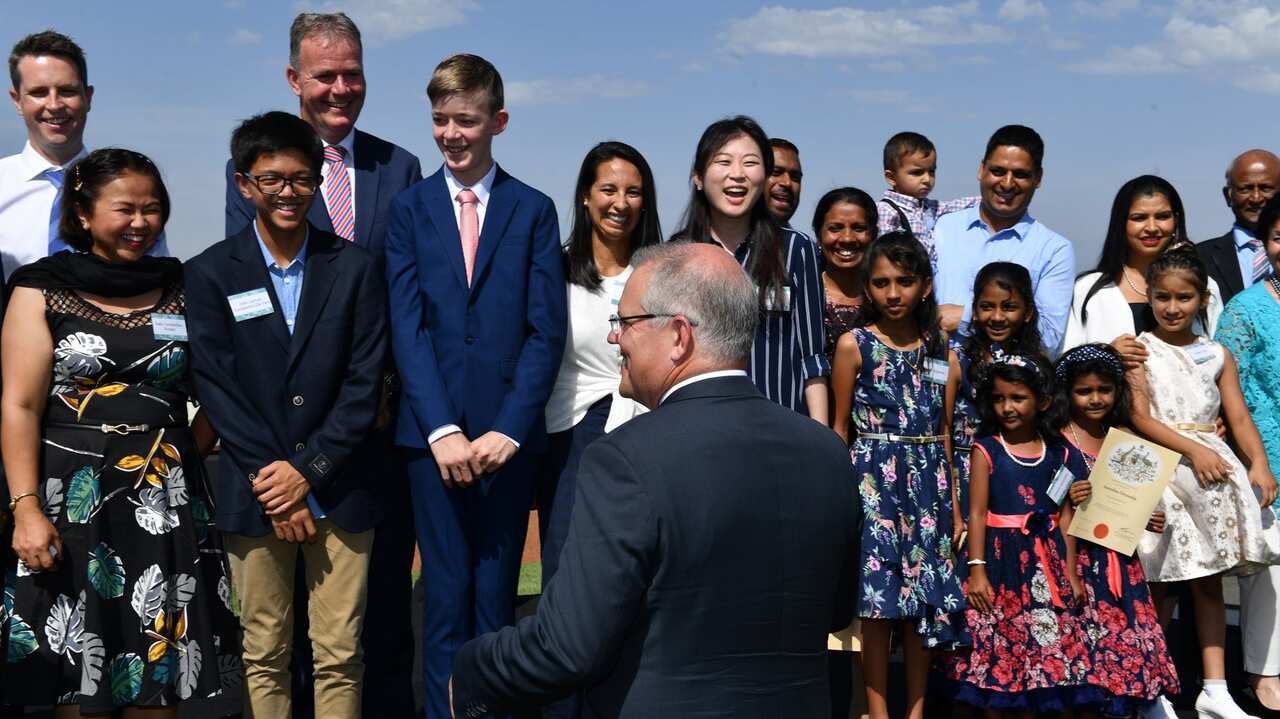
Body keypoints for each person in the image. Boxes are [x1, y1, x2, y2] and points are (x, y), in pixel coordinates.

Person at [450, 242, 859, 718]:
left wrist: (473, 669)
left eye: (624, 323)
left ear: (679, 336)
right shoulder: (827, 453)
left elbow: (566, 646)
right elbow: (834, 610)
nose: (613, 339)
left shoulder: (624, 459)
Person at [221, 14, 423, 717]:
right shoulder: (254, 168)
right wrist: (289, 459)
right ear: (293, 80)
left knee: (371, 622)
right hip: (278, 439)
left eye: (351, 74)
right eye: (324, 75)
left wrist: (361, 414)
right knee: (275, 641)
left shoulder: (399, 168)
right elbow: (249, 306)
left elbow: (401, 296)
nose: (339, 88)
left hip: (366, 428)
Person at [2, 148, 237, 714]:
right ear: (82, 214)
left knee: (155, 668)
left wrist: (179, 450)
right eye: (125, 209)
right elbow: (20, 405)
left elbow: (224, 391)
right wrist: (26, 507)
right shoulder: (40, 288)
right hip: (69, 501)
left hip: (164, 503)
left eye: (153, 209)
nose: (140, 223)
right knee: (72, 672)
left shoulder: (185, 285)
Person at [185, 111, 388, 718]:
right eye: (270, 179)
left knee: (340, 652)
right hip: (256, 493)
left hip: (341, 488)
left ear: (320, 178)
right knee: (265, 651)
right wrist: (278, 480)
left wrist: (309, 470)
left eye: (300, 178)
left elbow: (364, 383)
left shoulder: (355, 268)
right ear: (244, 184)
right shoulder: (209, 274)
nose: (287, 192)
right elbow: (218, 389)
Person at [385, 53, 567, 719]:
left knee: (495, 604)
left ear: (498, 121)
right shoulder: (408, 210)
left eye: (466, 120)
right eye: (440, 120)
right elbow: (409, 329)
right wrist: (440, 429)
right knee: (442, 601)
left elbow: (545, 332)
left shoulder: (534, 210)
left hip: (506, 442)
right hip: (431, 443)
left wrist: (509, 429)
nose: (452, 133)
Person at [1128, 243, 1280, 719]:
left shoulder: (1216, 354)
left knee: (1208, 579)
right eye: (1163, 297)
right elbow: (1138, 415)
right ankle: (1150, 688)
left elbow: (1237, 414)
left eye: (1184, 298)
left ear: (1202, 300)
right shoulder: (1138, 351)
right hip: (1161, 469)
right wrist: (1191, 449)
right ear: (1149, 297)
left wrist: (1258, 462)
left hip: (1211, 475)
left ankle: (1214, 689)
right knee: (1157, 580)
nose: (1173, 308)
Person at [535, 141, 658, 719]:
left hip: (648, 442)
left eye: (633, 191)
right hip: (573, 442)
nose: (620, 202)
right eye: (608, 189)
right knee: (567, 594)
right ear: (585, 197)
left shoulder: (659, 274)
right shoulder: (555, 269)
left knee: (638, 595)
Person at [830, 232, 964, 719]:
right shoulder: (854, 345)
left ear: (925, 286)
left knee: (922, 604)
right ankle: (876, 712)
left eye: (904, 281)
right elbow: (840, 429)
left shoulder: (942, 350)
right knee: (878, 605)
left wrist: (953, 504)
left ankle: (917, 711)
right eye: (881, 283)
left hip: (928, 485)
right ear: (867, 289)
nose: (893, 293)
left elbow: (948, 432)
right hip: (873, 484)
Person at [942, 353, 1099, 714]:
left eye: (1017, 398)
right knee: (999, 647)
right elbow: (977, 513)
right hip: (999, 563)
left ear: (1042, 401)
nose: (1007, 407)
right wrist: (977, 570)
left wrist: (1072, 573)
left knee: (1042, 652)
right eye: (999, 399)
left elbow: (1064, 517)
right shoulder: (988, 449)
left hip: (1045, 566)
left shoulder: (1059, 453)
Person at [674, 115, 829, 421]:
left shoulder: (797, 249)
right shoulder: (677, 254)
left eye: (750, 163)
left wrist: (820, 434)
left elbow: (813, 358)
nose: (737, 174)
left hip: (778, 427)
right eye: (724, 162)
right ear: (698, 177)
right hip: (701, 427)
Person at [1056, 343, 1180, 718]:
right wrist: (1070, 496)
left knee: (1127, 633)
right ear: (1068, 393)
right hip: (1078, 559)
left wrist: (1148, 517)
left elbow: (1134, 495)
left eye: (1104, 390)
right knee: (1084, 640)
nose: (1095, 399)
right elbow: (1049, 499)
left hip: (1120, 560)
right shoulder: (1059, 440)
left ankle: (1134, 704)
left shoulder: (1124, 436)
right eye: (1084, 391)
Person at [2, 30, 168, 281]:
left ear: (88, 97)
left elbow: (158, 280)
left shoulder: (132, 191)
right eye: (39, 92)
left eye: (67, 91)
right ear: (16, 100)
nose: (55, 104)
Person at [1214, 194, 1280, 717]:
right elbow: (1229, 389)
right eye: (1279, 236)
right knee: (1270, 573)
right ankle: (1264, 672)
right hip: (1268, 454)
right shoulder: (1245, 308)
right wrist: (1257, 456)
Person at [932, 125, 1074, 355]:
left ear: (1038, 178)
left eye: (1020, 174)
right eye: (998, 171)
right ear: (981, 169)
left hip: (1002, 387)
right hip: (934, 381)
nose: (1007, 183)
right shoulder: (941, 227)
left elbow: (1049, 340)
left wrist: (967, 316)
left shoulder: (1053, 250)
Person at [1064, 175, 1224, 365]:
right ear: (1121, 223)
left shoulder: (1206, 285)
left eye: (1162, 216)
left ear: (1176, 220)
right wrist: (1107, 354)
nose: (1151, 227)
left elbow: (1220, 356)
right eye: (1139, 218)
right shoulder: (1087, 290)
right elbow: (1065, 363)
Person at [949, 262, 1043, 543]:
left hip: (1016, 473)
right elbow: (940, 427)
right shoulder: (956, 361)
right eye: (987, 306)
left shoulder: (1038, 368)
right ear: (974, 312)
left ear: (1027, 313)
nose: (997, 316)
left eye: (1009, 307)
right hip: (964, 472)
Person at [875, 131, 978, 261]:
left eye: (931, 171)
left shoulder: (930, 207)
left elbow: (961, 204)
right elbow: (884, 254)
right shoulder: (887, 211)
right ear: (891, 178)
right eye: (917, 173)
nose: (927, 179)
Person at [1197, 150, 1280, 305]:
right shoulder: (1199, 258)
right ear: (1228, 196)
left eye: (1265, 188)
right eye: (1245, 189)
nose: (1256, 198)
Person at [813, 186, 875, 358]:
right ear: (819, 235)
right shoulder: (806, 296)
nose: (847, 238)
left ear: (873, 235)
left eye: (858, 228)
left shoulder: (887, 298)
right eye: (835, 228)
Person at [765, 137, 803, 228]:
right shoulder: (726, 239)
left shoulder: (801, 242)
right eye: (776, 172)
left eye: (795, 177)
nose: (787, 183)